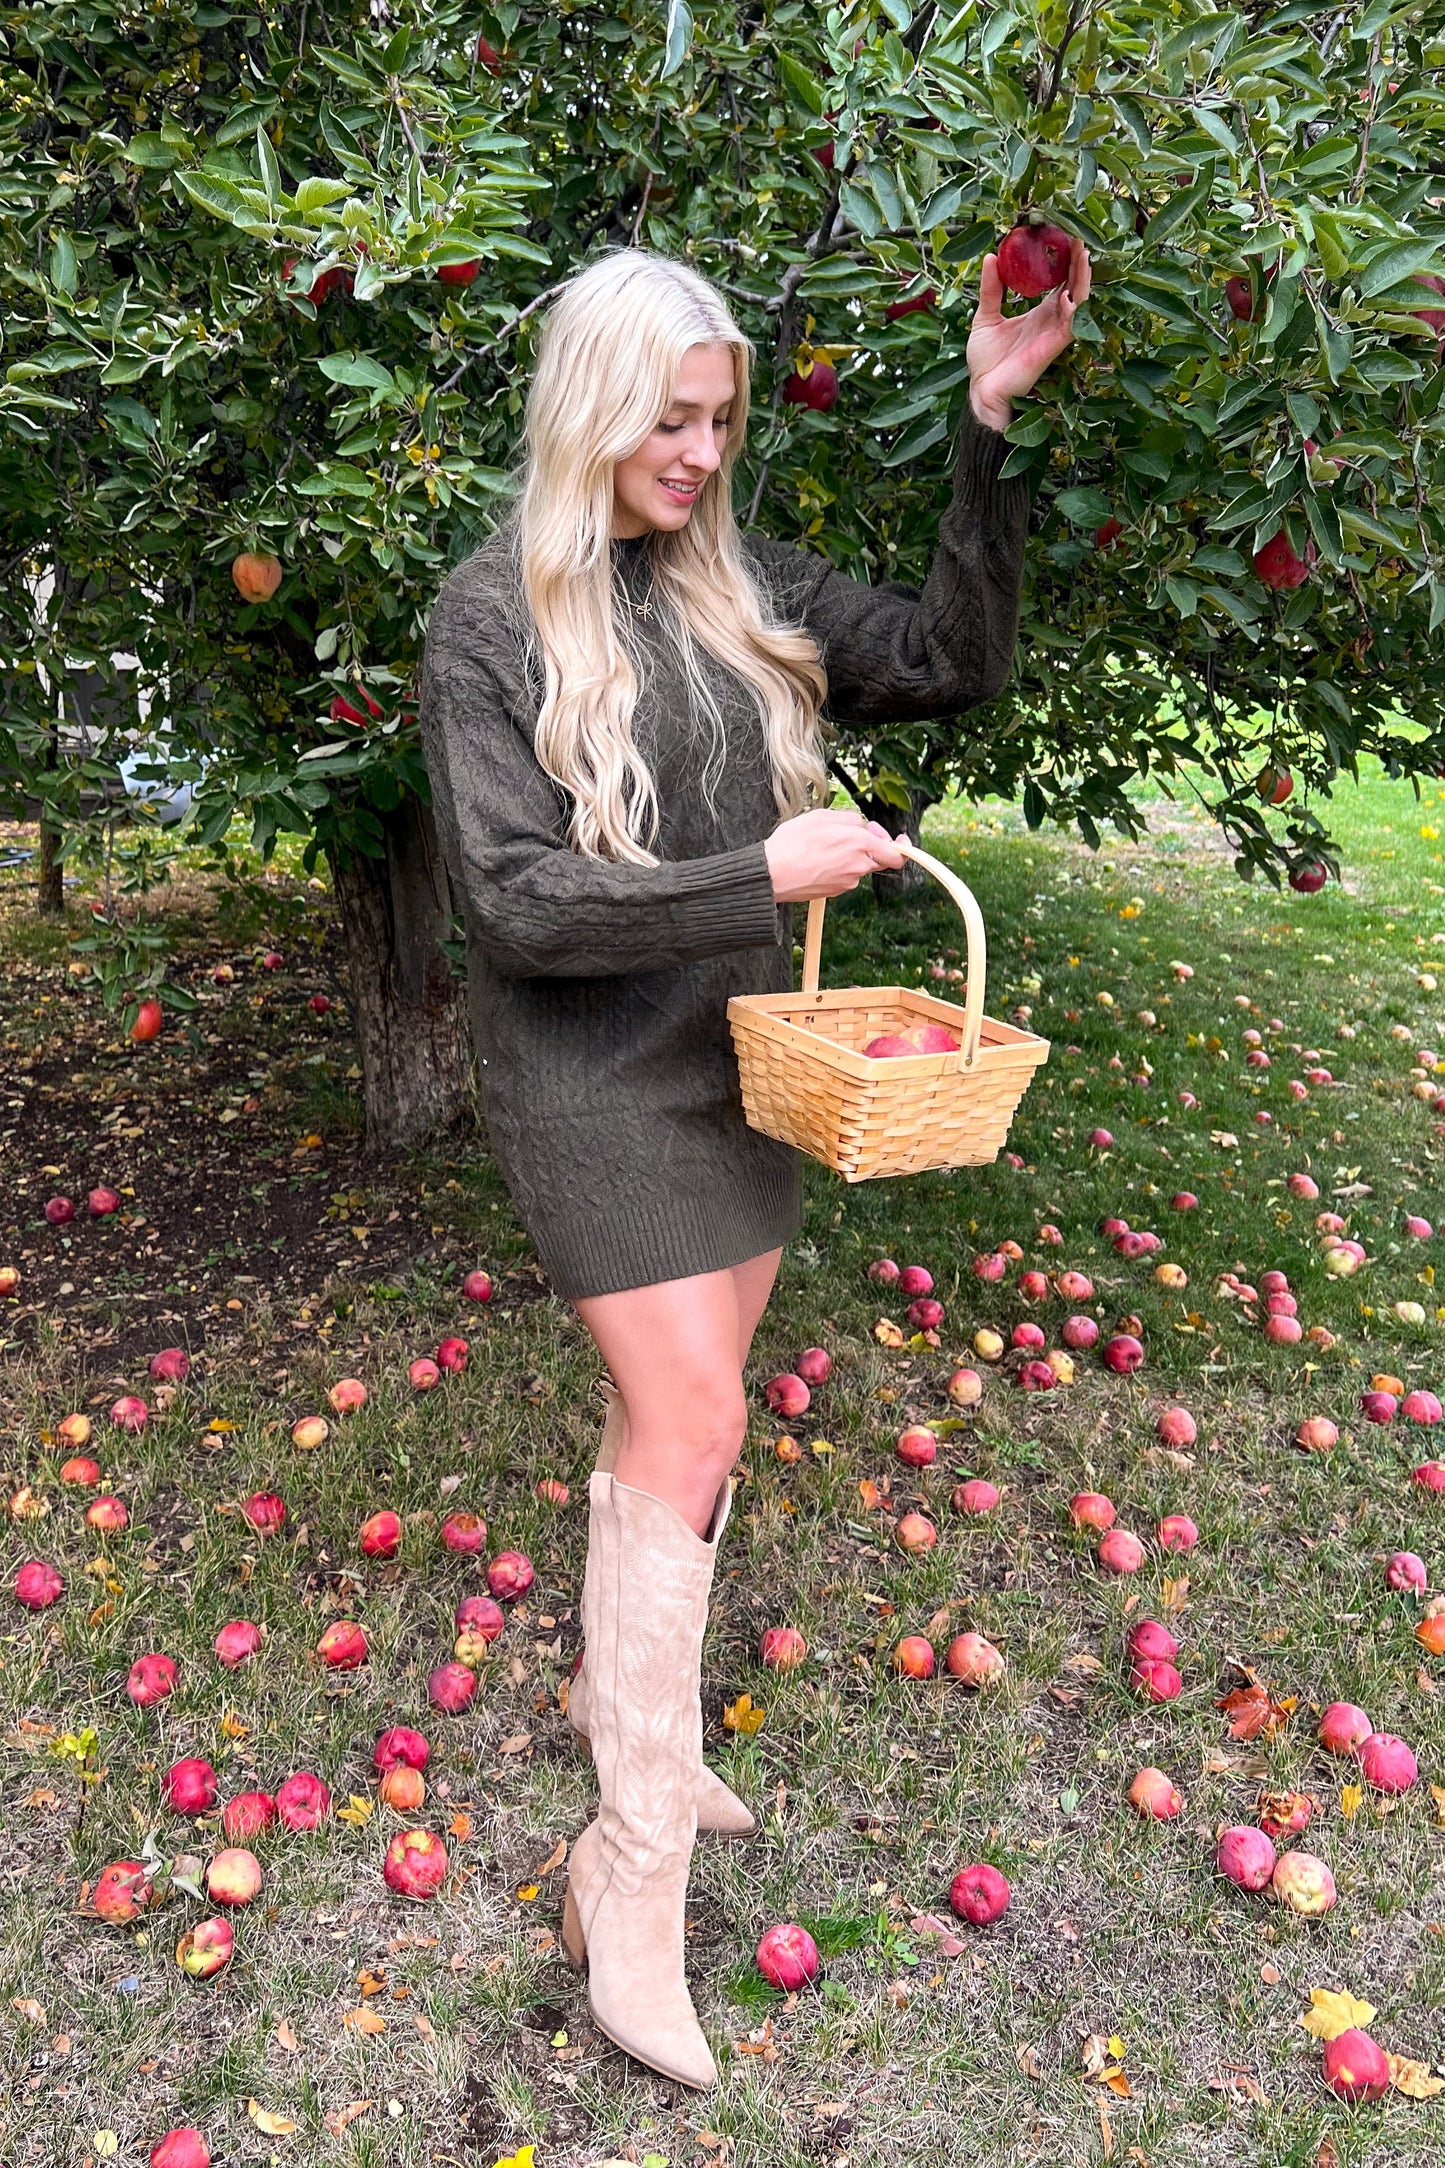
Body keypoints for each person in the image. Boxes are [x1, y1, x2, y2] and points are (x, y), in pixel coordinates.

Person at [418, 238, 1089, 2088]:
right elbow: (515, 904)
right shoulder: (490, 620)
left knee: (678, 1431)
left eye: (718, 421)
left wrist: (986, 423)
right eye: (668, 420)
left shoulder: (738, 587)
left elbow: (951, 659)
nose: (701, 454)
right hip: (585, 1073)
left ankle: (613, 1699)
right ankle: (620, 1869)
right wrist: (757, 876)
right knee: (697, 1421)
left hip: (735, 1066)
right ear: (589, 409)